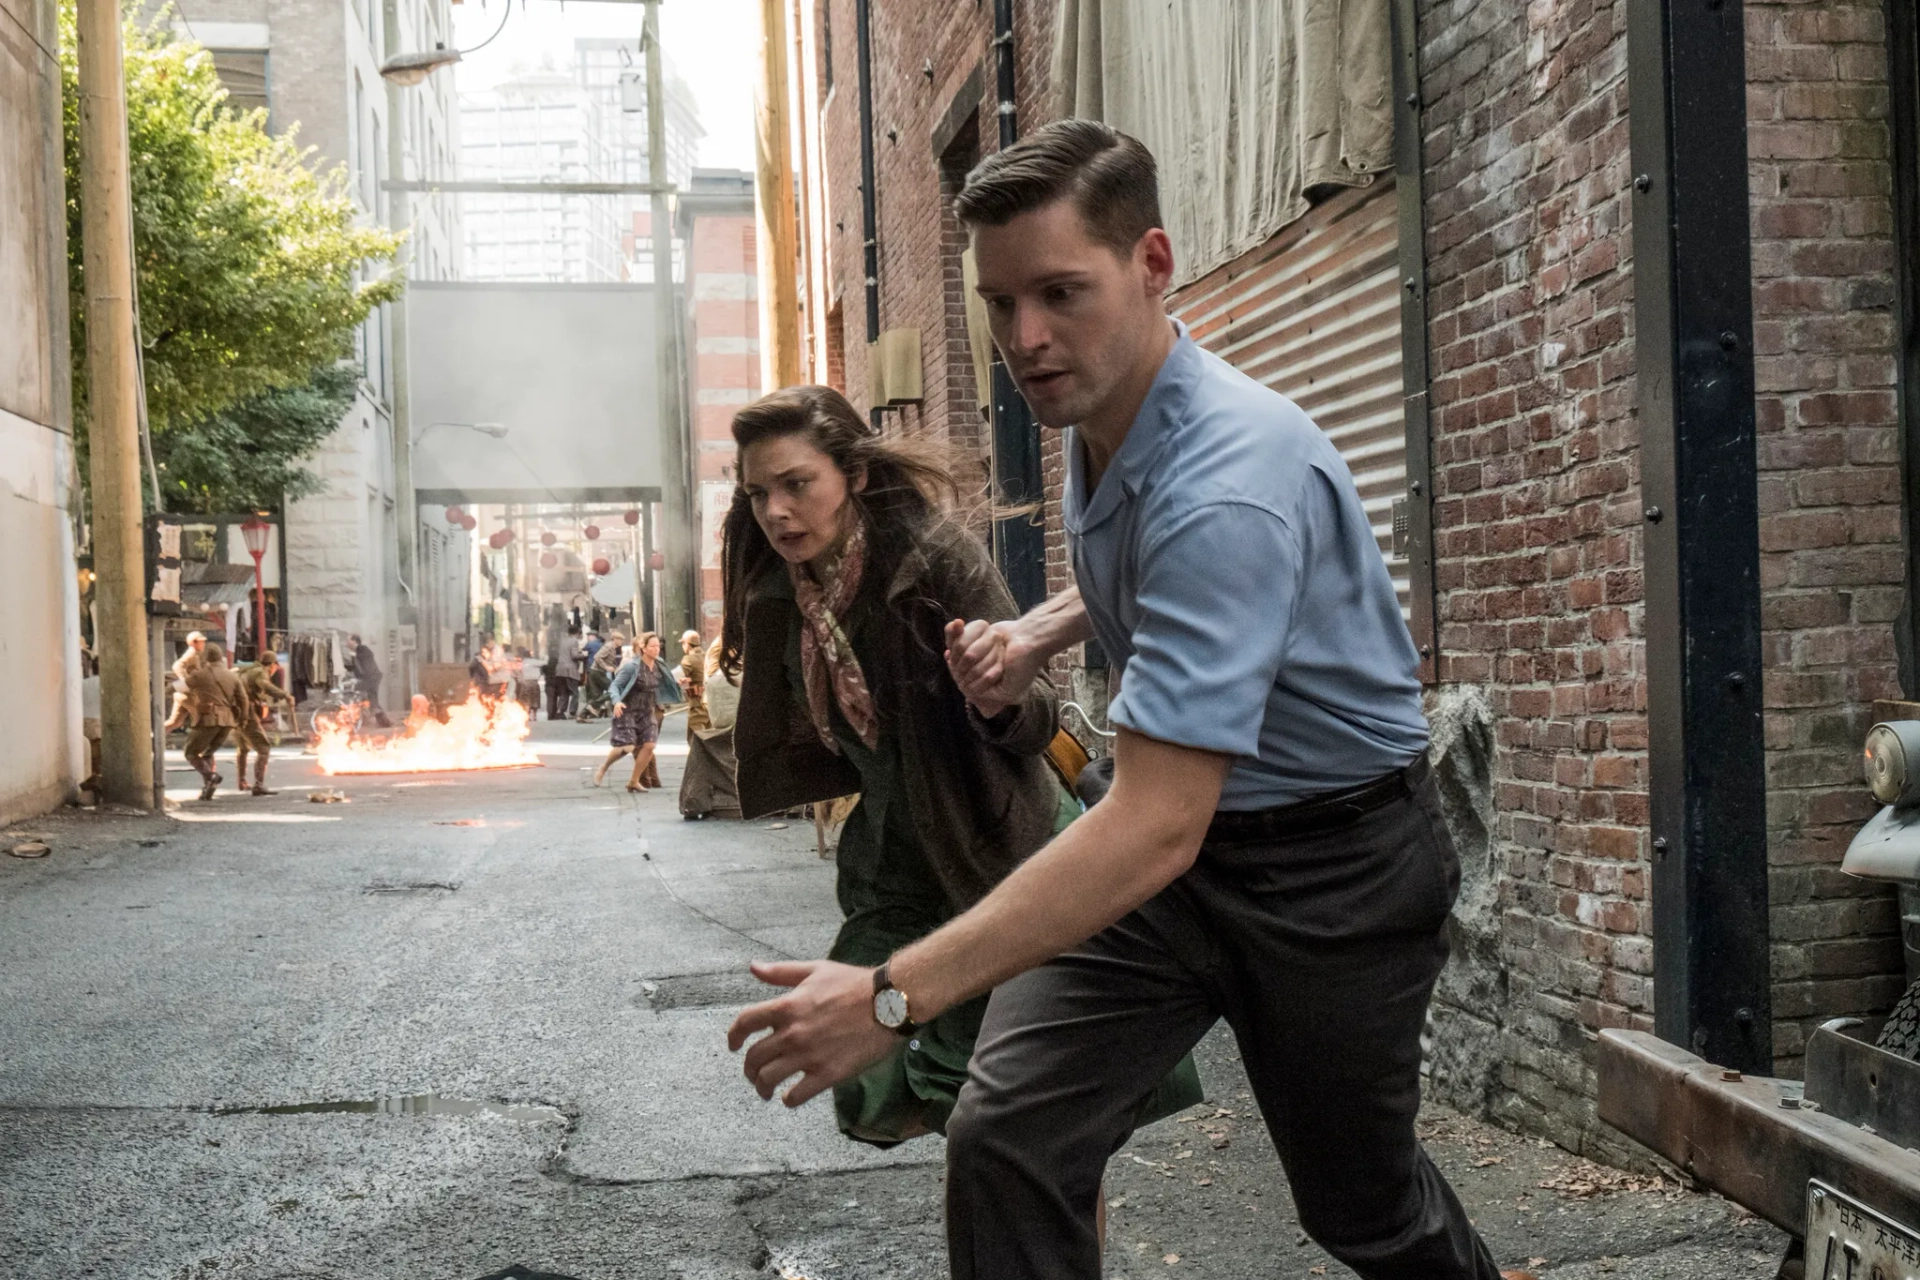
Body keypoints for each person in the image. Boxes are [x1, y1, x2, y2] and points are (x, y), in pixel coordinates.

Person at [725, 121, 1528, 1280]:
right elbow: (1146, 581)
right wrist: (1045, 625)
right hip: (1176, 872)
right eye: (1000, 304)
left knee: (1364, 1207)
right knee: (1006, 1137)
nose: (1027, 339)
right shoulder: (1102, 406)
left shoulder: (1227, 486)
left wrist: (893, 998)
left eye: (1060, 292)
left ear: (1152, 265)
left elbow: (1154, 820)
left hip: (1327, 872)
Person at [719, 384, 1200, 1152]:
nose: (775, 511)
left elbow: (1036, 711)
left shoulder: (933, 560)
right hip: (894, 870)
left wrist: (997, 696)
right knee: (899, 1089)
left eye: (796, 484)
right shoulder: (783, 597)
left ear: (857, 476)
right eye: (758, 493)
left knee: (1027, 1118)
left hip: (997, 851)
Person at [592, 633, 678, 791]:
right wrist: (617, 701)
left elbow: (668, 681)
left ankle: (633, 781)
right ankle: (603, 768)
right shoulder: (632, 666)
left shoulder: (659, 665)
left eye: (658, 646)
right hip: (628, 711)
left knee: (650, 745)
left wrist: (681, 684)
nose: (656, 649)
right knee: (627, 747)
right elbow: (615, 686)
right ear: (643, 648)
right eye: (652, 646)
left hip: (647, 711)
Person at [182, 643, 247, 802]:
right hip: (228, 722)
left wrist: (164, 688)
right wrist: (243, 719)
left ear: (206, 658)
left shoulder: (200, 674)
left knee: (190, 752)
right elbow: (243, 699)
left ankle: (210, 776)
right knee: (208, 753)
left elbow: (178, 687)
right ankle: (208, 788)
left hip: (209, 719)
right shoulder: (232, 676)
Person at [233, 650, 295, 795]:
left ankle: (242, 781)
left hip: (236, 712)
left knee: (243, 748)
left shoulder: (248, 671)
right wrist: (285, 695)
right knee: (263, 748)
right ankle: (258, 785)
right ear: (273, 665)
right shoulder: (261, 672)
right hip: (247, 713)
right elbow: (265, 685)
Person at [162, 631, 207, 734]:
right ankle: (198, 747)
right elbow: (177, 665)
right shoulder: (192, 653)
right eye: (201, 642)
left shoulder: (197, 655)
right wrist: (185, 680)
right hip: (188, 694)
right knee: (202, 720)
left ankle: (153, 738)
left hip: (183, 693)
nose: (203, 644)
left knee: (174, 722)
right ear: (193, 642)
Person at [348, 633, 392, 728]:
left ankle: (382, 721)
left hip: (371, 678)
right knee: (372, 700)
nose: (347, 643)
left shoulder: (363, 650)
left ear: (355, 641)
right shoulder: (358, 651)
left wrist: (354, 657)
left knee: (370, 699)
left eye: (349, 640)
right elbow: (357, 667)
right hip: (369, 678)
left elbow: (363, 665)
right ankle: (383, 721)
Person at [546, 619, 584, 721]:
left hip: (560, 669)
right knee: (575, 692)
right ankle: (572, 712)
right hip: (570, 670)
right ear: (577, 633)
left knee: (564, 692)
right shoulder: (574, 641)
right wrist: (583, 655)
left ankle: (560, 711)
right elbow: (574, 655)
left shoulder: (562, 641)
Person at [679, 630, 709, 736]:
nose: (683, 646)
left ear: (687, 644)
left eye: (683, 643)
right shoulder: (708, 656)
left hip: (697, 703)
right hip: (711, 701)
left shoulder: (688, 659)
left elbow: (679, 677)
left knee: (697, 738)